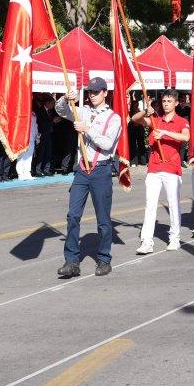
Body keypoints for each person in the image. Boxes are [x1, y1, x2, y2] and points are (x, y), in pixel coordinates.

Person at [55, 77, 122, 278]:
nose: (92, 95)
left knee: (103, 219)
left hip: (101, 169)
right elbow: (61, 111)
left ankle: (104, 259)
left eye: (95, 92)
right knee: (73, 215)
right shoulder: (82, 110)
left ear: (104, 93)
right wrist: (65, 99)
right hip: (82, 170)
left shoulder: (113, 118)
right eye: (90, 92)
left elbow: (108, 144)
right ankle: (71, 261)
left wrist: (87, 129)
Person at [131, 89, 190, 254]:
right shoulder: (155, 119)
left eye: (169, 101)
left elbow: (186, 137)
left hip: (171, 168)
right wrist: (145, 110)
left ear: (176, 103)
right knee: (150, 205)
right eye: (164, 101)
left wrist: (164, 133)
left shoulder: (181, 121)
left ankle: (174, 238)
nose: (166, 104)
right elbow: (135, 119)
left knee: (173, 204)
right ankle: (147, 241)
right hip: (154, 167)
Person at [15, 112, 38, 181]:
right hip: (23, 137)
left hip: (32, 137)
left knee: (29, 156)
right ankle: (20, 174)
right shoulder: (21, 111)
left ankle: (27, 173)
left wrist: (36, 135)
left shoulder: (33, 114)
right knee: (21, 156)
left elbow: (35, 125)